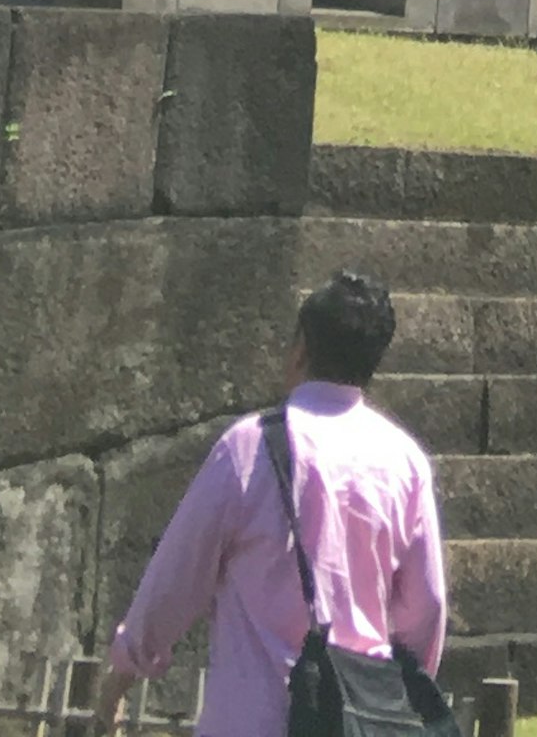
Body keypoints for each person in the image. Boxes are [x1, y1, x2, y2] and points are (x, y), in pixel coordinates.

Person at [103, 265, 451, 737]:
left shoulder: (249, 448)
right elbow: (425, 608)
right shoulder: (404, 461)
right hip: (358, 720)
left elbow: (176, 578)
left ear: (300, 349)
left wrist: (122, 674)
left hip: (253, 716)